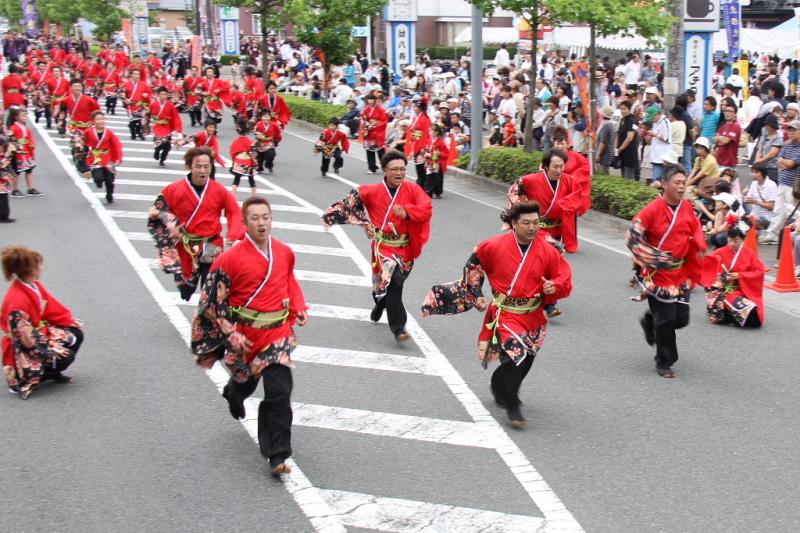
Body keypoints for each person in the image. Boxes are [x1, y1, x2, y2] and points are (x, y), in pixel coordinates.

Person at [421, 200, 572, 428]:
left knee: (526, 359)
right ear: (513, 223)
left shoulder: (548, 250)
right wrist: (476, 293)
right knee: (518, 355)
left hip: (533, 314)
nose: (532, 228)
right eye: (526, 223)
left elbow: (562, 275)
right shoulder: (492, 246)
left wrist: (555, 286)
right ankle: (513, 404)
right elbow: (473, 269)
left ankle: (499, 385)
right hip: (505, 313)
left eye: (536, 223)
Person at [191, 196, 308, 476]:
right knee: (245, 382)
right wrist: (229, 333)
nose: (261, 223)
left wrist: (299, 306)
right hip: (244, 334)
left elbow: (289, 281)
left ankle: (277, 454)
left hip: (277, 334)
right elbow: (212, 301)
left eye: (265, 217)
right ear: (244, 223)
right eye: (254, 218)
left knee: (279, 391)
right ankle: (234, 393)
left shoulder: (284, 252)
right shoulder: (229, 259)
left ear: (271, 219)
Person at [322, 150, 432, 342]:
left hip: (405, 248)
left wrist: (407, 211)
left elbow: (426, 209)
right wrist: (365, 223)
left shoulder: (413, 190)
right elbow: (349, 205)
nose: (399, 173)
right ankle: (399, 328)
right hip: (384, 248)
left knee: (390, 286)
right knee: (395, 281)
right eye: (395, 169)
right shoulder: (371, 191)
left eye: (403, 169)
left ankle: (381, 303)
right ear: (384, 171)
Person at [627, 165, 706, 378]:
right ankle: (664, 361)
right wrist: (654, 258)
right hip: (659, 275)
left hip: (680, 272)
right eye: (677, 183)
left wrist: (698, 246)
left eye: (684, 183)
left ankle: (650, 321)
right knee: (667, 320)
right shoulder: (652, 210)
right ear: (664, 184)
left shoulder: (686, 207)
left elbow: (694, 229)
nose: (682, 187)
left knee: (681, 318)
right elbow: (632, 237)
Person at [148, 146, 245, 301]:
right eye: (198, 166)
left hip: (211, 244)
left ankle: (206, 317)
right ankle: (186, 286)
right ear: (190, 166)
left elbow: (234, 210)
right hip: (186, 245)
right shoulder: (174, 189)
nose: (203, 170)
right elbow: (156, 210)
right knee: (186, 289)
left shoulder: (218, 190)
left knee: (210, 286)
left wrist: (233, 233)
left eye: (206, 166)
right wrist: (171, 224)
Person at [1, 245, 84, 399]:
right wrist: (51, 350)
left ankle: (51, 371)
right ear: (31, 270)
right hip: (22, 345)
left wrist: (69, 321)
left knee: (76, 335)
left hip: (35, 334)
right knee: (66, 355)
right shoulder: (16, 301)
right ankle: (32, 377)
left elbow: (50, 308)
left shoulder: (33, 285)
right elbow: (26, 341)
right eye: (38, 265)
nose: (41, 267)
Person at [701, 220, 765, 328]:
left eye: (736, 241)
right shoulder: (721, 251)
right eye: (730, 240)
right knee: (751, 318)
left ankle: (725, 315)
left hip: (744, 291)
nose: (732, 244)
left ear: (743, 239)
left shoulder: (749, 254)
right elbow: (707, 265)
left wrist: (740, 276)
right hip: (724, 292)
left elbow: (759, 271)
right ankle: (725, 313)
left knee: (757, 317)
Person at [759, 120, 800, 244]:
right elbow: (780, 160)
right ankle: (772, 235)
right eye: (789, 130)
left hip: (793, 185)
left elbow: (791, 163)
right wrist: (785, 162)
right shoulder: (787, 144)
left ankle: (795, 234)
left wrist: (785, 162)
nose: (791, 132)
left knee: (794, 211)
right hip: (782, 182)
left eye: (794, 130)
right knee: (778, 210)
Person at [83, 111, 123, 205]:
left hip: (107, 158)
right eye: (98, 119)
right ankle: (99, 182)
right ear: (93, 121)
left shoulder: (109, 132)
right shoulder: (88, 131)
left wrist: (118, 158)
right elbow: (83, 141)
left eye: (102, 119)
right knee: (98, 178)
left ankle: (109, 197)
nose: (101, 121)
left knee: (110, 180)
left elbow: (116, 144)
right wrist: (79, 144)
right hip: (95, 158)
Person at [7, 107, 41, 198]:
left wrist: (31, 144)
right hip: (18, 152)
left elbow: (30, 137)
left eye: (24, 115)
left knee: (29, 170)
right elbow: (10, 138)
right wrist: (17, 145)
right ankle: (15, 189)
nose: (24, 117)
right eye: (22, 116)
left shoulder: (25, 127)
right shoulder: (13, 127)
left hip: (27, 152)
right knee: (17, 171)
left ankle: (30, 188)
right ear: (16, 117)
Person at [149, 86, 183, 168]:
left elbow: (176, 118)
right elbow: (148, 114)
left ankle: (162, 160)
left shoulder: (170, 105)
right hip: (157, 127)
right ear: (158, 95)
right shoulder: (153, 104)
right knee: (159, 143)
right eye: (162, 94)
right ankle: (156, 151)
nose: (163, 96)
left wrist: (178, 129)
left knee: (167, 146)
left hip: (167, 127)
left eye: (165, 94)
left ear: (167, 95)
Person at [742, 164, 777, 230]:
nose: (754, 174)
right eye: (752, 172)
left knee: (750, 223)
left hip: (767, 217)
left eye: (756, 172)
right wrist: (744, 195)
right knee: (740, 221)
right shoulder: (753, 183)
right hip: (754, 214)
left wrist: (756, 202)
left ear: (763, 173)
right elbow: (747, 200)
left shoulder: (771, 185)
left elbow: (771, 206)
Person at [229, 118, 258, 195]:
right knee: (251, 179)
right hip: (248, 161)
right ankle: (254, 195)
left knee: (237, 178)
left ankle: (233, 194)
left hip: (239, 161)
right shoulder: (250, 142)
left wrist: (234, 161)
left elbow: (232, 152)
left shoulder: (235, 141)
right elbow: (253, 153)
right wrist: (254, 162)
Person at [419, 123, 449, 198]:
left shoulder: (440, 142)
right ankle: (428, 191)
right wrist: (424, 153)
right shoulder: (429, 140)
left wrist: (439, 153)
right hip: (429, 161)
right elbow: (425, 149)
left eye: (432, 131)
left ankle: (437, 192)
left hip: (437, 163)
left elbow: (446, 153)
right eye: (430, 130)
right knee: (428, 176)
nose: (430, 132)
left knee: (437, 177)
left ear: (436, 132)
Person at [361, 92, 388, 174]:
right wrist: (366, 125)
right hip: (369, 131)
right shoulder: (366, 109)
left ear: (375, 100)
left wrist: (375, 124)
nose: (370, 101)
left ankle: (385, 167)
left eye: (371, 99)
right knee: (369, 150)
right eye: (368, 99)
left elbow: (384, 120)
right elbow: (364, 119)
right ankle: (371, 167)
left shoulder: (380, 109)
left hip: (377, 131)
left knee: (380, 151)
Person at [751, 113, 783, 183]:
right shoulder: (764, 136)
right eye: (766, 124)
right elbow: (759, 150)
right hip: (762, 167)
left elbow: (771, 154)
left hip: (772, 168)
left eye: (768, 125)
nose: (766, 126)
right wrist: (757, 162)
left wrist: (758, 161)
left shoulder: (778, 138)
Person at [121, 69, 151, 140]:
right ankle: (133, 133)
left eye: (138, 74)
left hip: (140, 105)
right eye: (135, 74)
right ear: (131, 75)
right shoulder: (127, 84)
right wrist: (125, 99)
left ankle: (140, 133)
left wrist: (146, 95)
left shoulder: (143, 84)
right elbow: (122, 94)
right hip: (131, 106)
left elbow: (149, 93)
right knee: (133, 121)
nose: (136, 76)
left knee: (140, 121)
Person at [713, 104, 742, 171]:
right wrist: (720, 138)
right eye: (725, 111)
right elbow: (715, 140)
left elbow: (725, 141)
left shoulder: (736, 126)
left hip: (729, 164)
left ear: (735, 114)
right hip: (718, 162)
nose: (727, 113)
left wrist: (719, 138)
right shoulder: (722, 126)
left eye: (730, 111)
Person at [253, 108, 282, 174]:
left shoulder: (274, 125)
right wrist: (261, 137)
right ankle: (260, 167)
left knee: (271, 155)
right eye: (264, 117)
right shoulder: (258, 124)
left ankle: (269, 165)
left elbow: (278, 134)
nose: (266, 118)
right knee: (259, 157)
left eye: (267, 116)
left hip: (269, 143)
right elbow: (255, 133)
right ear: (261, 117)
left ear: (270, 117)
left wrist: (277, 141)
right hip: (260, 143)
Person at [409, 100, 431, 183]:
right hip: (417, 142)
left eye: (416, 107)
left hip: (421, 144)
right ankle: (421, 183)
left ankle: (421, 184)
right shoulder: (417, 117)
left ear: (421, 108)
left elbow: (425, 134)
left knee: (421, 167)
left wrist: (423, 147)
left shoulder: (424, 119)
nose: (415, 109)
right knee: (419, 167)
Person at [617, 100, 640, 180]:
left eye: (624, 109)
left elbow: (629, 138)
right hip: (623, 153)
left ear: (629, 109)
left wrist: (620, 148)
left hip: (630, 153)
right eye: (621, 109)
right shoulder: (622, 120)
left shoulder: (631, 120)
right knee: (623, 177)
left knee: (628, 177)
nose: (622, 111)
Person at [595, 105, 617, 174]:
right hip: (608, 154)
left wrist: (598, 154)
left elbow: (603, 142)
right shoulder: (611, 124)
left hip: (604, 155)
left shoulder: (605, 126)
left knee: (603, 173)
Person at [0, 139, 15, 222]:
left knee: (4, 199)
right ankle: (3, 216)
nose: (2, 149)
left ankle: (4, 216)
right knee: (3, 200)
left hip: (3, 181)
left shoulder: (3, 154)